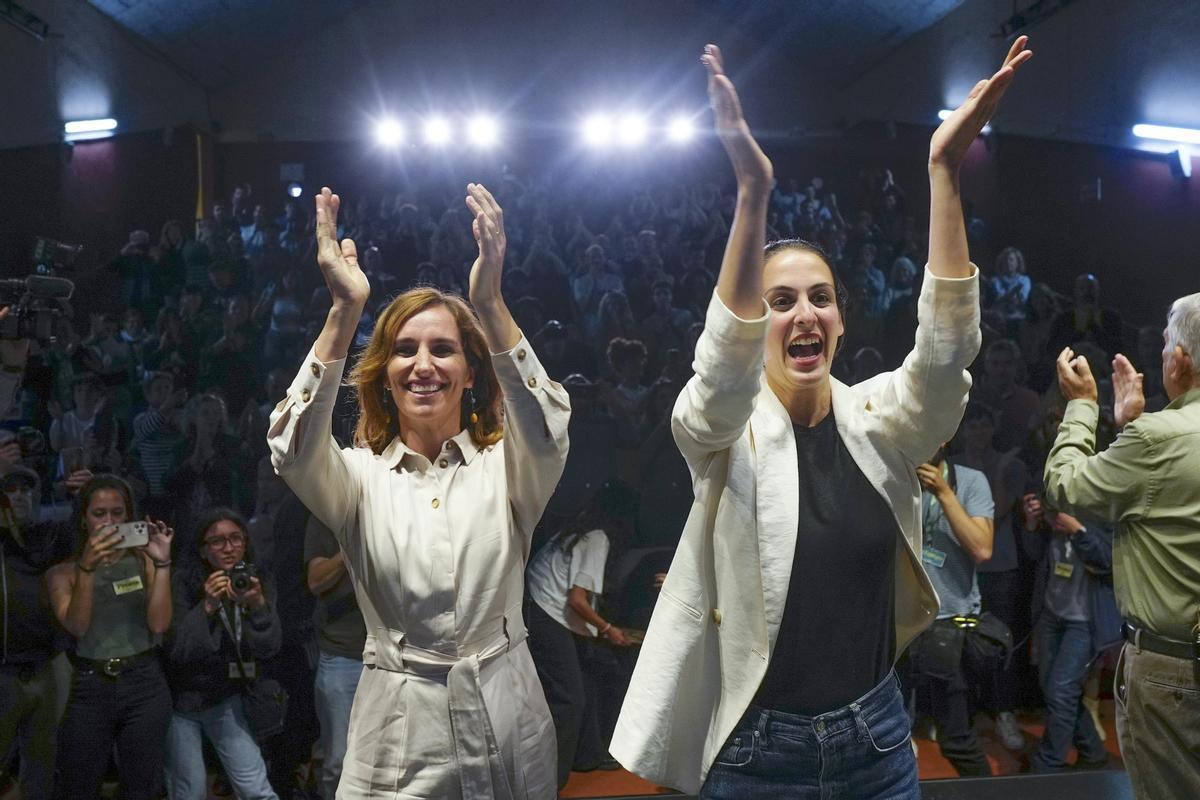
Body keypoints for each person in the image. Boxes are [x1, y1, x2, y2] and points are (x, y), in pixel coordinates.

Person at [611, 39, 1031, 797]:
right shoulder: (718, 432)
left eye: (820, 298)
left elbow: (945, 356)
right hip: (753, 753)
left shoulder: (883, 419)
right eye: (780, 302)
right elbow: (720, 373)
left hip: (876, 740)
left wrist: (943, 171)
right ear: (756, 322)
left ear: (839, 322)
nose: (803, 313)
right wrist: (752, 194)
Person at [268, 183, 569, 799]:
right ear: (384, 374)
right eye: (404, 350)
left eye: (443, 349)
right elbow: (291, 449)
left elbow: (547, 426)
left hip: (508, 712)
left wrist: (488, 302)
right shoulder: (356, 477)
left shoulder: (506, 468)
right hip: (400, 727)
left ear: (471, 373)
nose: (423, 364)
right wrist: (343, 313)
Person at [1044, 292, 1200, 799]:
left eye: (1163, 346)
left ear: (1179, 359)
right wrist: (1132, 429)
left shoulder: (1158, 440)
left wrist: (1083, 408)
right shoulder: (1155, 439)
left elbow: (1066, 486)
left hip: (1174, 672)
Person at [44, 475, 175, 800]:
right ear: (84, 519)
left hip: (144, 682)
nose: (109, 522)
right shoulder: (62, 573)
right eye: (99, 514)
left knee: (142, 785)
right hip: (91, 685)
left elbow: (159, 625)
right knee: (79, 782)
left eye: (117, 513)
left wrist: (162, 565)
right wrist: (87, 569)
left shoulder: (144, 561)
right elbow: (77, 627)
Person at [164, 509, 281, 800]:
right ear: (203, 550)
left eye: (235, 539)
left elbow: (269, 648)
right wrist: (208, 606)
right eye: (217, 542)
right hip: (181, 698)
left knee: (256, 789)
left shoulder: (257, 579)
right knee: (189, 791)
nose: (228, 548)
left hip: (227, 695)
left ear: (245, 542)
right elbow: (179, 650)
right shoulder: (182, 581)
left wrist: (258, 606)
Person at [526, 482, 633, 788]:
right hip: (545, 612)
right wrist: (609, 629)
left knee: (586, 678)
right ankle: (550, 783)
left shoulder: (579, 532)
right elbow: (576, 600)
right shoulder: (597, 539)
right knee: (568, 699)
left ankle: (587, 756)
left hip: (537, 605)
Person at [908, 444, 995, 776]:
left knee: (956, 737)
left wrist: (944, 493)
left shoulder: (969, 481)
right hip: (899, 625)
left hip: (948, 626)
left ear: (944, 439)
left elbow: (982, 548)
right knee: (891, 733)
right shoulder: (893, 476)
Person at [1022, 499, 1120, 771]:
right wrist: (1032, 524)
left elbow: (1109, 561)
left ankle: (1047, 765)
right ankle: (1093, 750)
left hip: (1084, 621)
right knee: (1054, 690)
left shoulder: (1103, 514)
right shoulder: (1053, 516)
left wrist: (1078, 530)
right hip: (1052, 614)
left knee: (1061, 691)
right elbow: (1033, 557)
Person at [305, 512, 366, 800]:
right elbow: (315, 581)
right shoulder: (326, 517)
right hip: (344, 655)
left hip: (397, 654)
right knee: (339, 761)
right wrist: (351, 547)